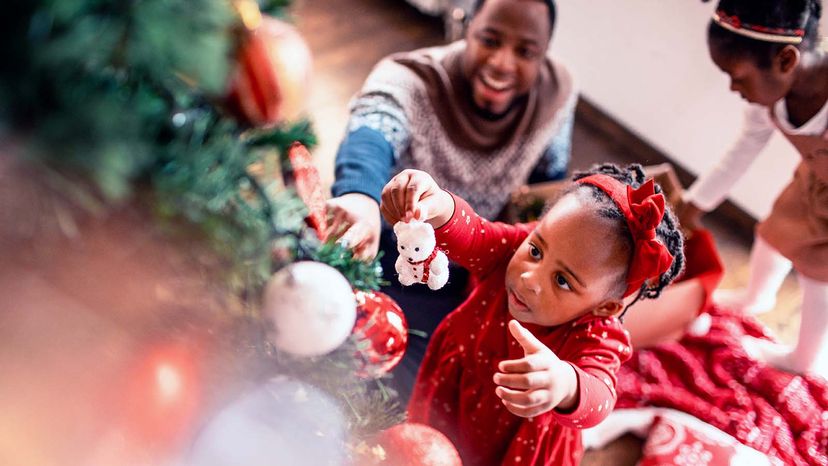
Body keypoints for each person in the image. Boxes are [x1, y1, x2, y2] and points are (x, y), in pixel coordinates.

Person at [326, 0, 577, 402]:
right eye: (489, 40)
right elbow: (372, 130)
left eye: (526, 52)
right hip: (386, 252)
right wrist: (360, 196)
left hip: (467, 268)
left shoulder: (557, 92)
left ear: (544, 53)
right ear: (465, 28)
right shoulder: (410, 79)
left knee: (433, 387)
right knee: (335, 350)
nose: (502, 63)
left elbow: (548, 179)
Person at [379, 164, 685, 465]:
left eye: (562, 280)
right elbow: (474, 234)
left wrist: (565, 384)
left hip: (518, 444)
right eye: (536, 251)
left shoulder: (597, 332)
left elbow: (601, 396)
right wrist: (438, 205)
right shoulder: (514, 248)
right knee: (425, 452)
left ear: (604, 307)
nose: (529, 278)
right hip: (453, 395)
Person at [678, 0, 828, 376]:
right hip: (814, 182)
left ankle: (805, 359)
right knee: (773, 235)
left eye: (738, 76)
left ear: (786, 61)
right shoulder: (768, 102)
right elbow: (740, 153)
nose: (732, 87)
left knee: (818, 276)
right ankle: (756, 297)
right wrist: (694, 204)